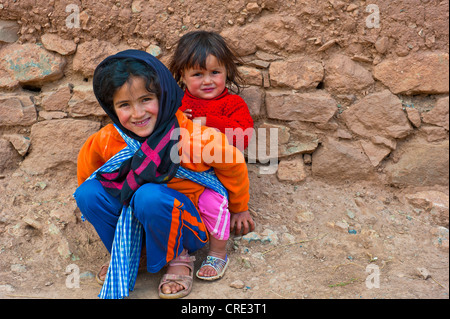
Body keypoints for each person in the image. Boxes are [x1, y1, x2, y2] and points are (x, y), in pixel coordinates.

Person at [74, 49, 252, 299]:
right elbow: (88, 172)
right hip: (140, 221)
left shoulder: (193, 139)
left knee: (149, 195)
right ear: (112, 108)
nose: (138, 114)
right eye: (124, 105)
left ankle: (179, 258)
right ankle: (134, 254)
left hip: (188, 224)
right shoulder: (107, 140)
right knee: (88, 193)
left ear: (164, 95)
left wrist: (239, 207)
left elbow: (234, 164)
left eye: (146, 99)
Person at [169, 31, 255, 281]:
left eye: (214, 72)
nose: (207, 80)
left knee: (213, 206)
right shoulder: (177, 103)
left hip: (217, 178)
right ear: (182, 75)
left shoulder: (233, 104)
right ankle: (178, 256)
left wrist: (208, 121)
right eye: (197, 74)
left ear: (227, 71)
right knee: (172, 209)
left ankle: (218, 253)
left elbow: (242, 138)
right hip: (181, 175)